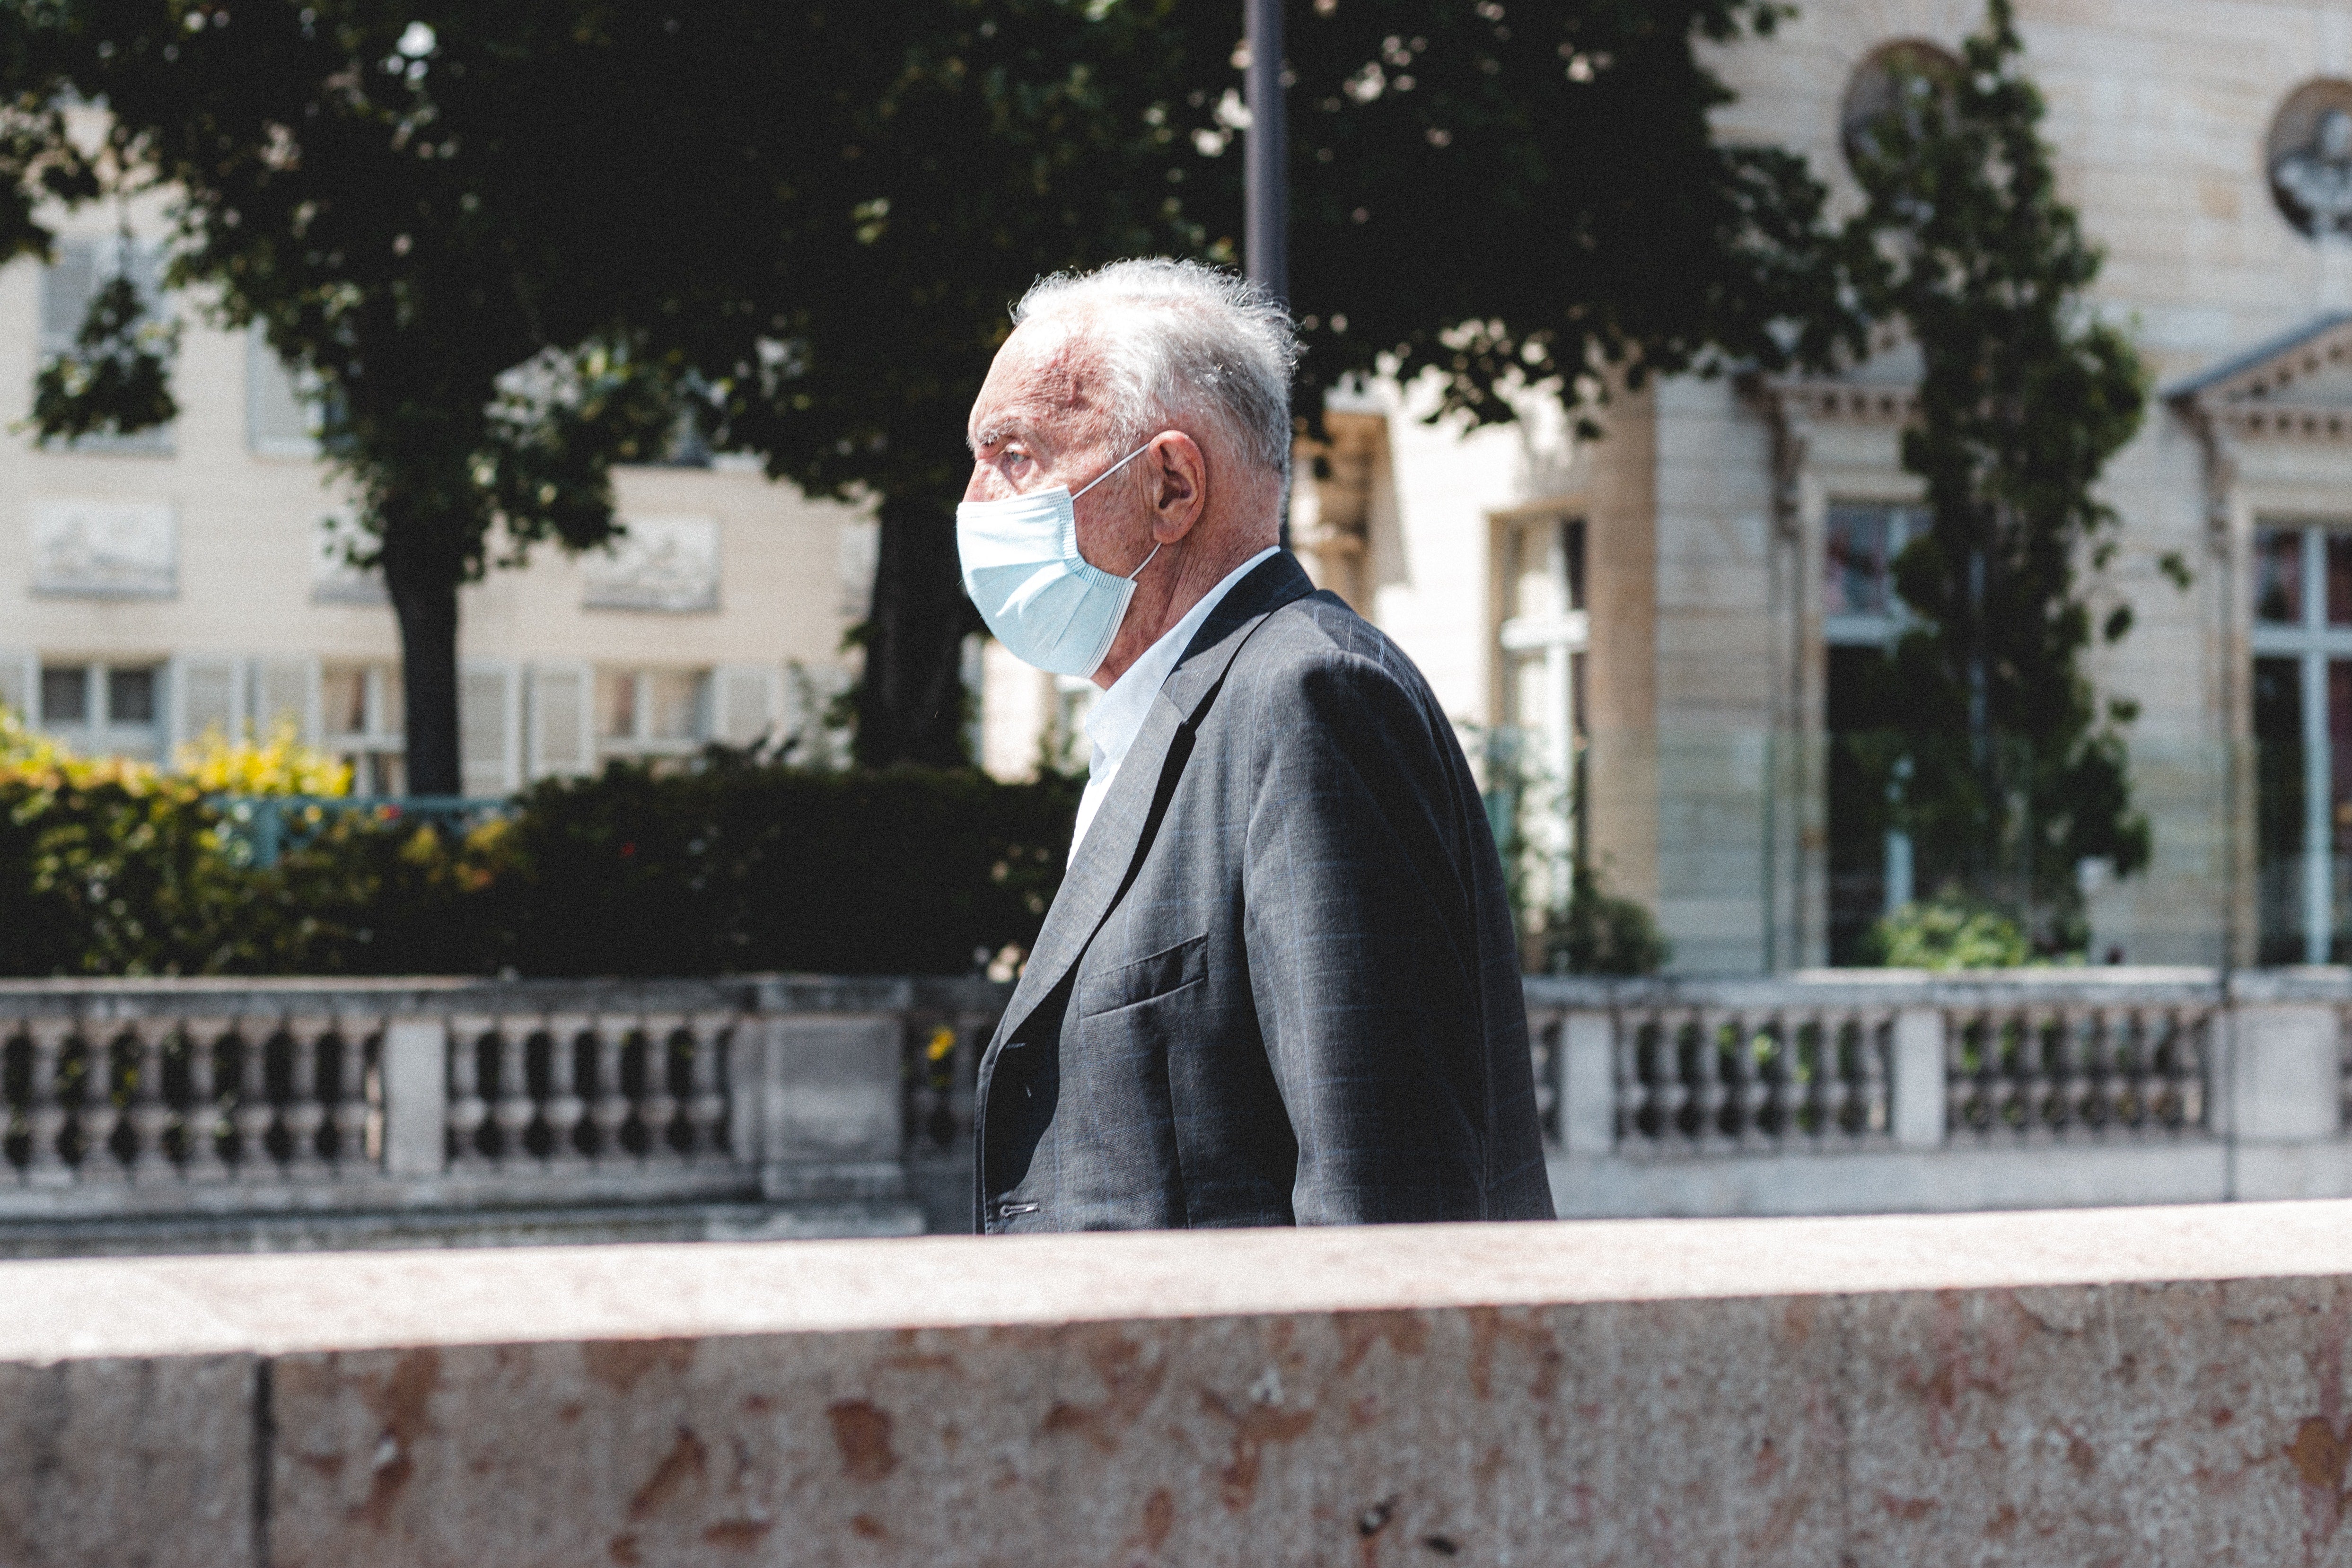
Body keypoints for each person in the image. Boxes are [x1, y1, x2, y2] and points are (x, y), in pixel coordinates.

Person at [960, 258, 1555, 1231]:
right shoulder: (1164, 717)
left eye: (1014, 456)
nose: (977, 501)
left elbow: (1384, 1203)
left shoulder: (1308, 700)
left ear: (1170, 485)